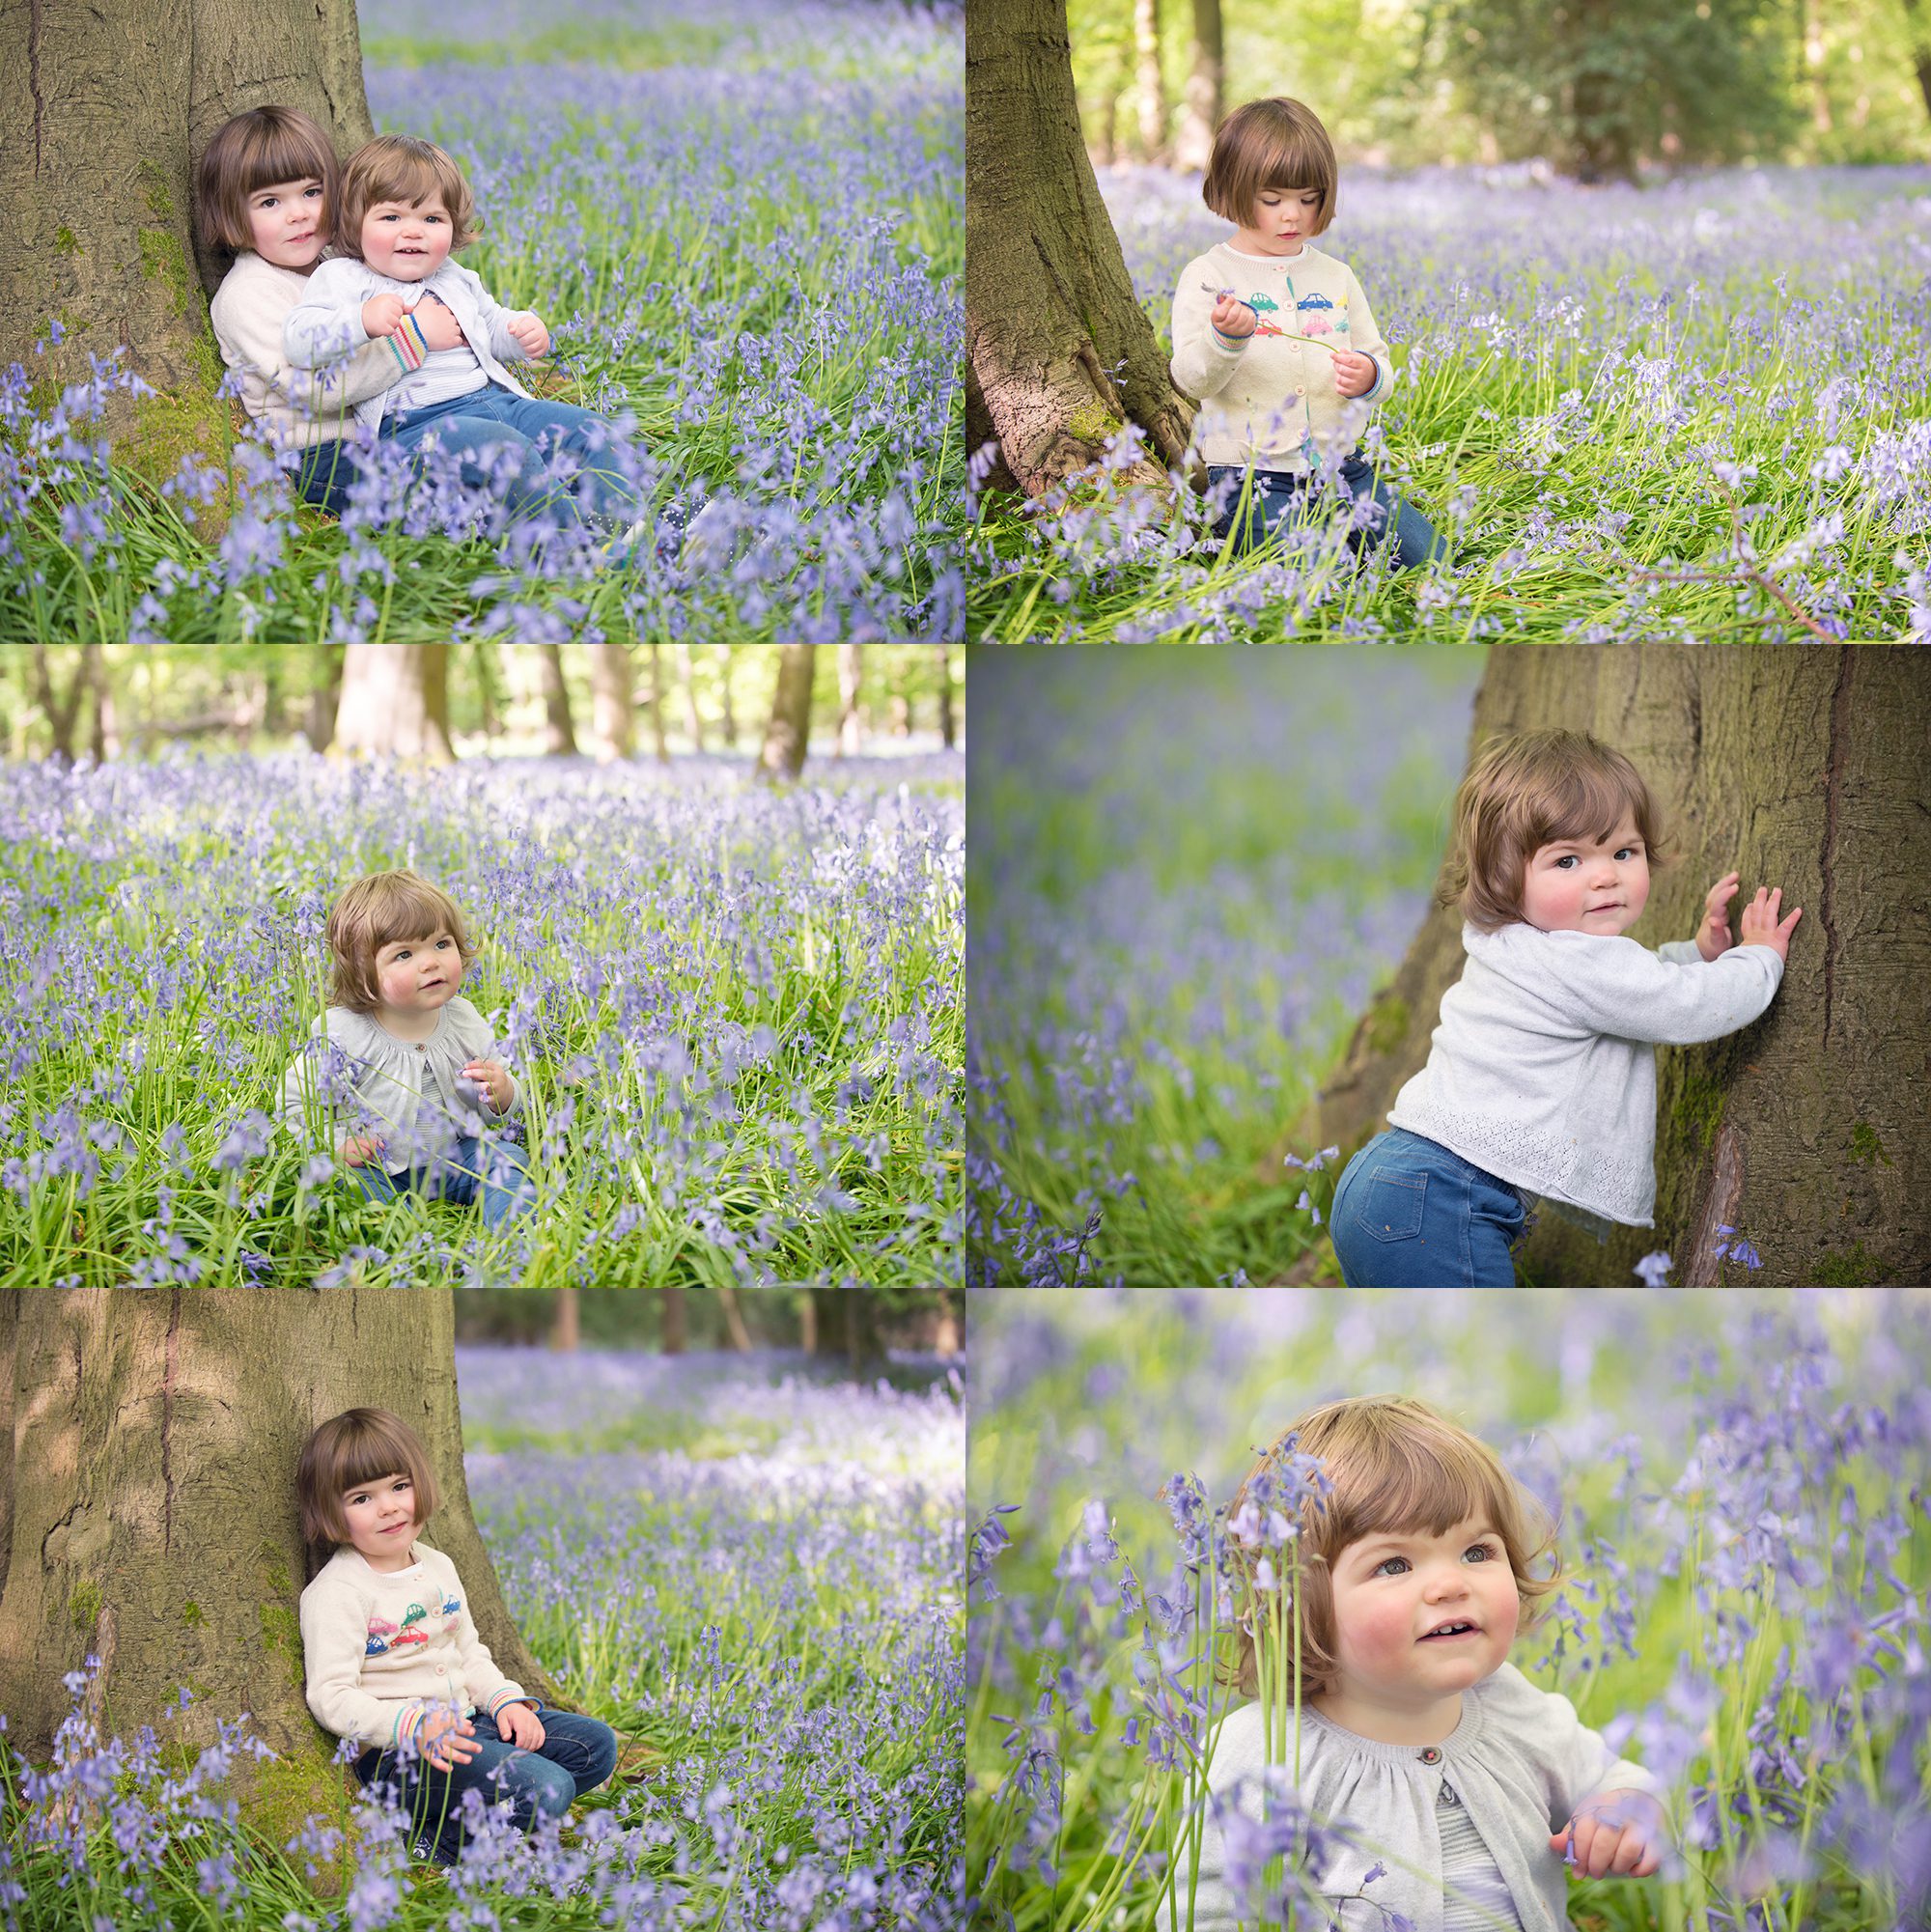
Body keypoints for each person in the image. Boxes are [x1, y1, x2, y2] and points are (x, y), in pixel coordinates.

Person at [1328, 730, 1801, 1287]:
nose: (1605, 875)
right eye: (1568, 860)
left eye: (1624, 852)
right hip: (1444, 1203)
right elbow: (1680, 1005)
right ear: (1504, 875)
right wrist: (1759, 959)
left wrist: (1698, 955)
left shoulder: (1512, 945)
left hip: (1391, 1184)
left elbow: (1628, 991)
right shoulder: (1577, 966)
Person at [1180, 1395, 1668, 1932]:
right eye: (1394, 1564)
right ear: (1295, 1602)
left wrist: (1623, 1813)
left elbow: (1613, 1778)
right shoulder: (1265, 1756)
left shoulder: (1511, 1706)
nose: (1451, 1584)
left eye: (1477, 1552)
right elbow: (1208, 1913)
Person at [284, 133, 645, 548]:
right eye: (391, 218)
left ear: (453, 227)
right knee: (502, 451)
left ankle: (627, 529)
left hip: (498, 402)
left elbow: (490, 326)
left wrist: (522, 332)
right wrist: (361, 321)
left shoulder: (453, 276)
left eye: (432, 220)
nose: (413, 233)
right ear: (354, 220)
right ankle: (576, 550)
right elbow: (299, 340)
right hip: (418, 426)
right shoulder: (344, 278)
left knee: (590, 430)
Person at [296, 1406, 618, 1867]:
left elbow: (469, 1653)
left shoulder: (438, 1565)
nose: (388, 1507)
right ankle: (437, 1848)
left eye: (399, 1487)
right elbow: (331, 1697)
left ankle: (458, 1822)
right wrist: (413, 1727)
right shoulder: (338, 1592)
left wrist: (506, 1701)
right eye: (361, 1498)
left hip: (470, 1726)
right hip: (402, 1757)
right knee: (548, 1788)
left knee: (596, 1746)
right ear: (330, 1512)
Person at [1169, 97, 1445, 569]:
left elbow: (1378, 360)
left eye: (1308, 199)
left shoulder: (1336, 276)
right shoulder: (1208, 274)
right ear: (1231, 191)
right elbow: (1192, 380)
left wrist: (1369, 376)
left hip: (1344, 469)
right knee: (1314, 575)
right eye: (1272, 200)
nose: (1292, 215)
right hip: (1251, 475)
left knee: (1431, 558)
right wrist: (1225, 341)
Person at [197, 105, 449, 515]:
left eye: (312, 193)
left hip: (373, 432)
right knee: (427, 492)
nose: (298, 214)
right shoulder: (247, 295)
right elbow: (311, 389)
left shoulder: (337, 264)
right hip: (315, 454)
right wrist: (410, 343)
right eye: (269, 202)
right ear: (232, 212)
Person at [277, 868, 538, 1227]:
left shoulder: (463, 1018)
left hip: (456, 1158)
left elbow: (501, 1101)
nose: (430, 961)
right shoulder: (343, 1033)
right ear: (363, 973)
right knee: (340, 1184)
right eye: (404, 955)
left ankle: (518, 1234)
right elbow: (295, 1102)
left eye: (441, 944)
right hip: (378, 1169)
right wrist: (335, 1144)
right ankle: (398, 1237)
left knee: (506, 1157)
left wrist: (502, 1092)